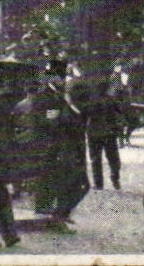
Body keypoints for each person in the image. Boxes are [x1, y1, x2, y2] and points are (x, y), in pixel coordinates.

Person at [29, 63, 89, 231]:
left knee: (66, 183)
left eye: (62, 77)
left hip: (63, 147)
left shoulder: (63, 95)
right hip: (50, 147)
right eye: (57, 76)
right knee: (56, 183)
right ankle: (54, 216)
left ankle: (58, 215)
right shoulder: (42, 97)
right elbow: (40, 123)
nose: (61, 80)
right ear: (49, 77)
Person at [85, 76, 124, 191]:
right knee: (113, 158)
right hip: (109, 133)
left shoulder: (91, 100)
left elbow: (85, 115)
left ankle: (98, 183)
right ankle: (115, 178)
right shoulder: (111, 100)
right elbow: (120, 112)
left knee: (96, 159)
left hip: (94, 133)